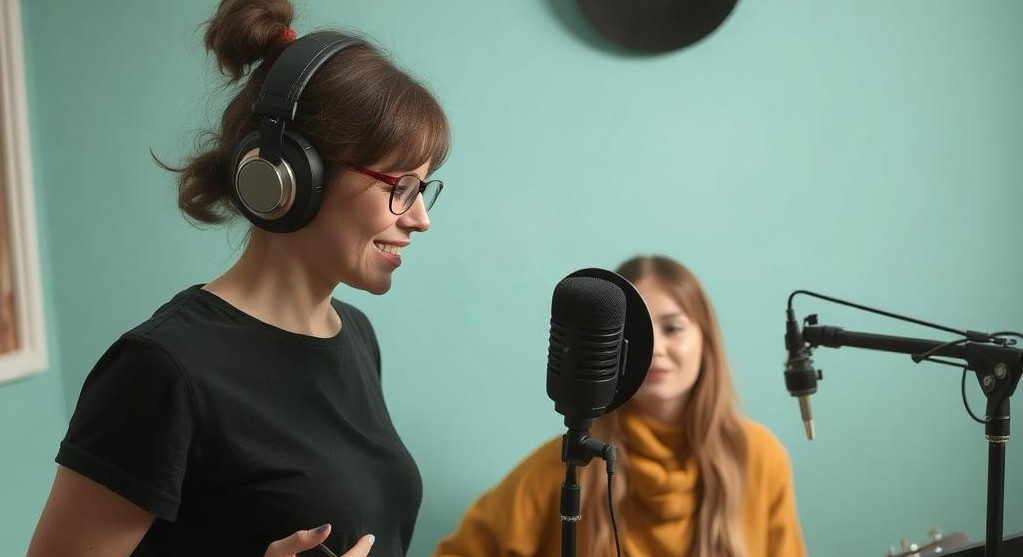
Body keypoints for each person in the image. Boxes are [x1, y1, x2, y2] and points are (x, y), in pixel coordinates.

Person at [26, 0, 449, 556]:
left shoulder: (355, 336)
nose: (420, 218)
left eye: (424, 189)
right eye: (401, 187)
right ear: (293, 175)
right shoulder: (164, 368)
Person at [431, 255, 806, 557]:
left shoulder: (758, 457)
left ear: (707, 340)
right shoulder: (568, 465)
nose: (657, 348)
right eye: (643, 334)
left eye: (673, 328)